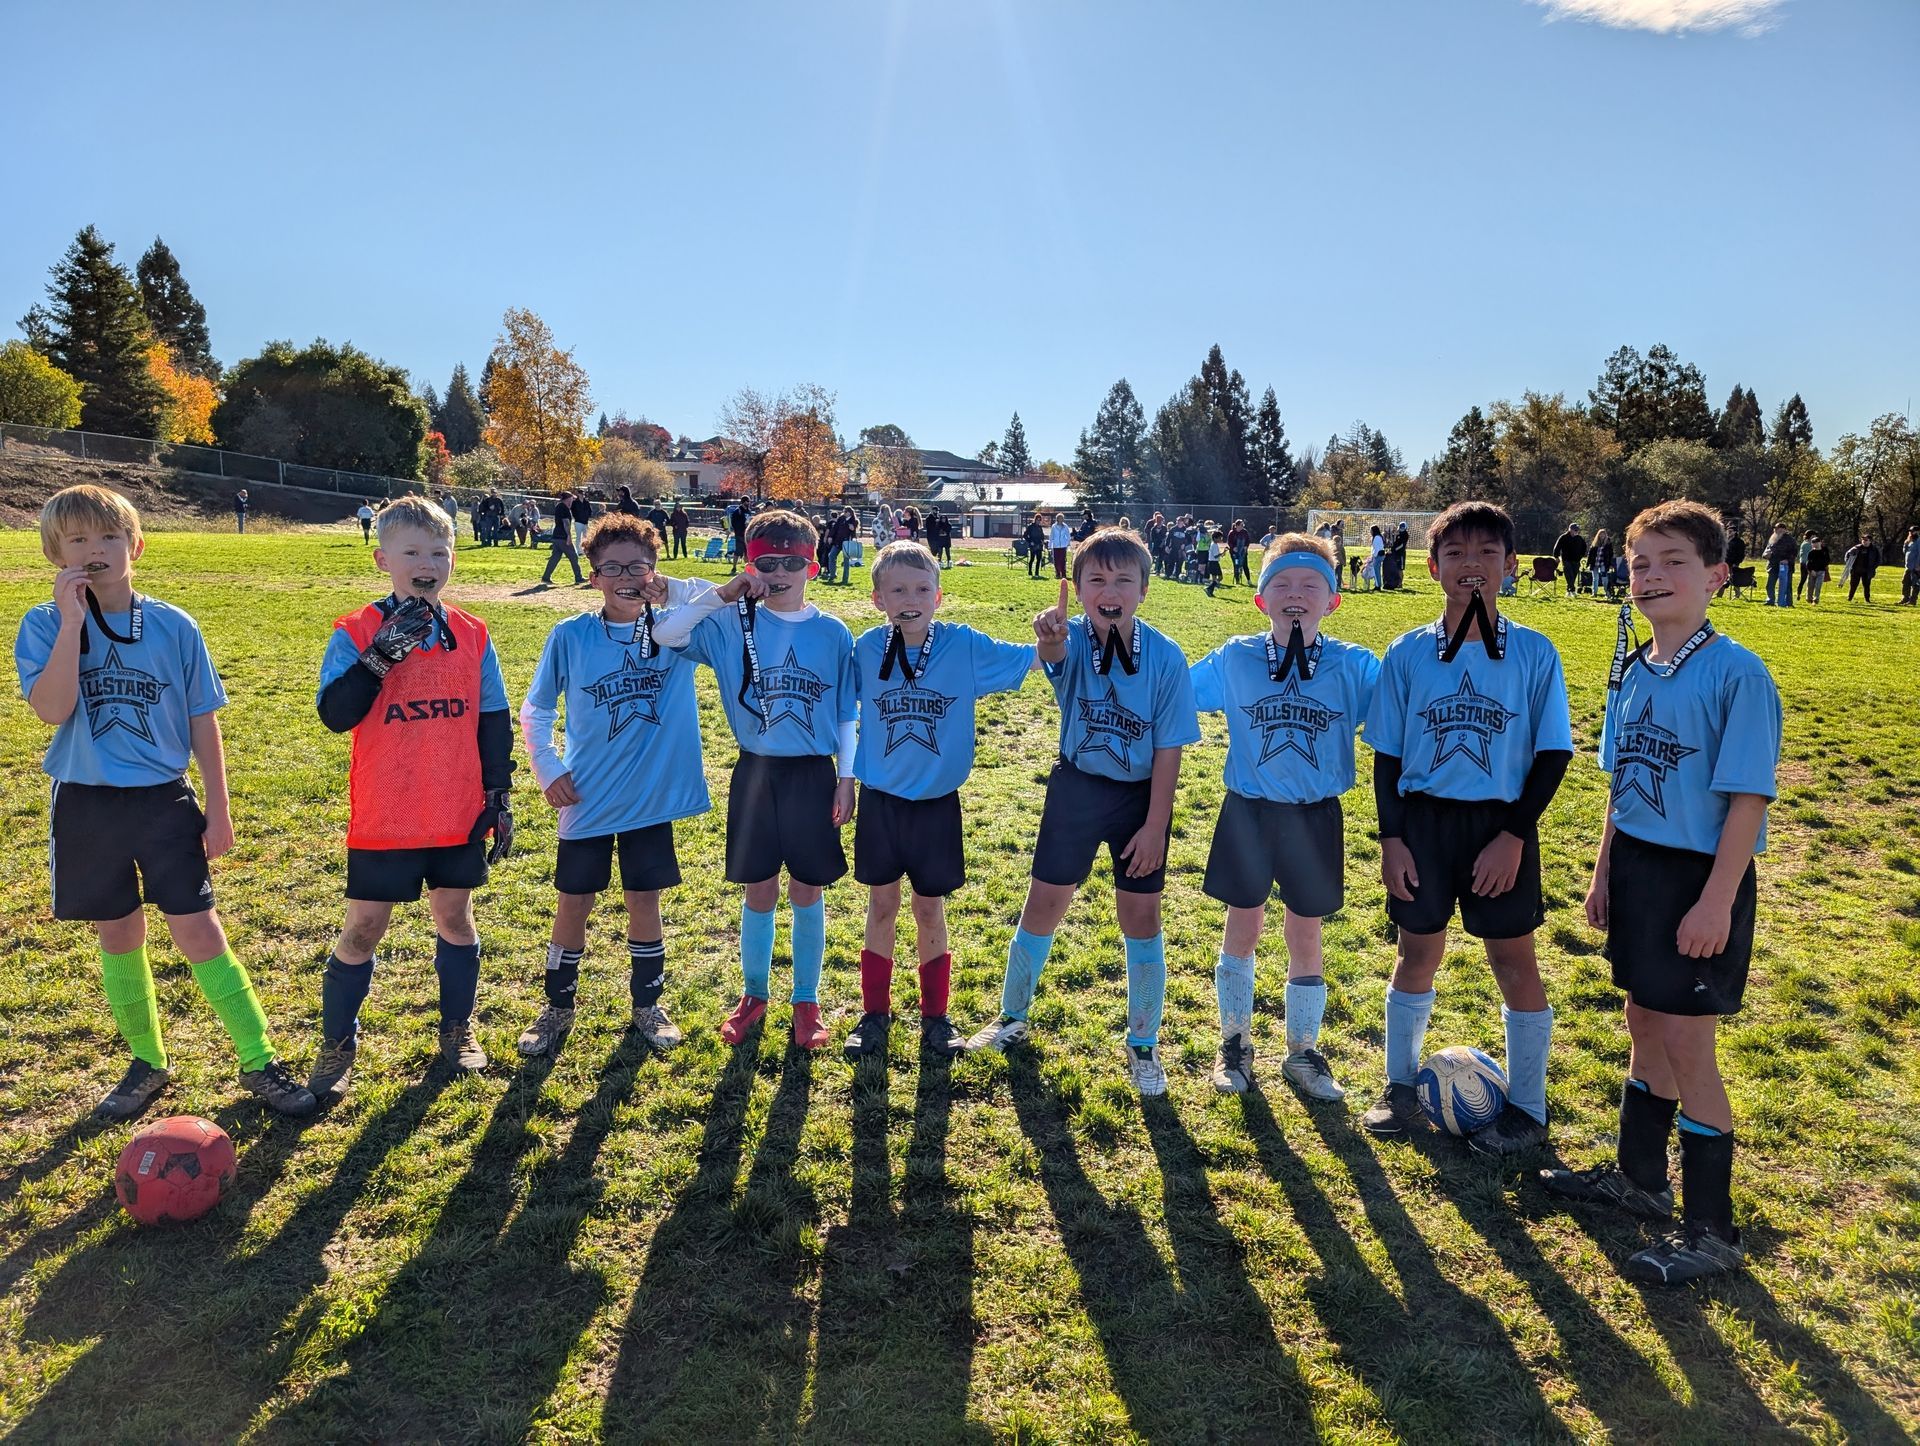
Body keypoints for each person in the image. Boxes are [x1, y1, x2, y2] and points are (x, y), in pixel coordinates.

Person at [15, 484, 315, 1120]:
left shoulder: (175, 625)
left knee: (199, 930)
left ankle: (259, 1058)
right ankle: (148, 1061)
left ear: (136, 545)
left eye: (109, 538)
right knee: (118, 933)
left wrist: (221, 808)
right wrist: (73, 624)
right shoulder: (43, 625)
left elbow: (205, 720)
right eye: (79, 541)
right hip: (88, 805)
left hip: (163, 802)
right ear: (54, 553)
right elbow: (51, 709)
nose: (96, 551)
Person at [1542, 500, 1780, 1285]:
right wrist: (1605, 870)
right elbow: (1621, 781)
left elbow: (1746, 800)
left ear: (1716, 576)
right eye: (1640, 562)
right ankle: (1641, 1181)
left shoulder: (1738, 674)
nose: (1651, 576)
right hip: (1639, 867)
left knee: (1688, 1042)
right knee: (1643, 1015)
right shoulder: (1635, 666)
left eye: (1673, 561)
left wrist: (1716, 900)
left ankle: (1713, 1231)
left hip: (1699, 876)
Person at [1362, 500, 1574, 1156]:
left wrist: (1513, 834)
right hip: (1422, 824)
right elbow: (1388, 755)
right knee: (1415, 954)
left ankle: (1529, 1109)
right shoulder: (1407, 653)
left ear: (1511, 566)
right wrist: (1392, 838)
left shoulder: (1534, 653)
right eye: (1455, 553)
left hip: (1499, 825)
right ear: (1432, 568)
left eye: (1487, 552)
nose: (1471, 564)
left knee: (1514, 960)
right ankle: (1401, 1088)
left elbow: (1554, 752)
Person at [965, 528, 1201, 1097]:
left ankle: (1143, 1042)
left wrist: (1155, 826)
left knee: (1141, 921)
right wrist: (1047, 638)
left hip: (1138, 799)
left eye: (1123, 579)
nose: (1109, 588)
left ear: (1144, 589)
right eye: (1095, 579)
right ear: (1077, 587)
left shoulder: (1166, 657)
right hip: (1075, 789)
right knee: (1042, 904)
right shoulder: (1068, 635)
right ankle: (1011, 1017)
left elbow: (1169, 749)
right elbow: (1052, 656)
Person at [308, 498, 516, 1103]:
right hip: (387, 811)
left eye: (439, 552)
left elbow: (493, 718)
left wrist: (497, 793)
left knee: (455, 918)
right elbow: (334, 715)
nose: (428, 563)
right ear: (383, 560)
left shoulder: (474, 633)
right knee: (363, 929)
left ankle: (457, 1028)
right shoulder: (354, 632)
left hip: (455, 808)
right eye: (412, 552)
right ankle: (338, 1043)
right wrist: (381, 657)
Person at [650, 510, 856, 1049]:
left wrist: (847, 776)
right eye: (769, 561)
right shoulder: (726, 622)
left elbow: (845, 714)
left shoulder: (833, 631)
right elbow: (665, 630)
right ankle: (754, 994)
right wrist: (722, 594)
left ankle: (806, 1000)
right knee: (759, 887)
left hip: (813, 772)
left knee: (807, 889)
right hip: (755, 771)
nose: (782, 571)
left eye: (794, 561)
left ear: (812, 564)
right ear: (751, 564)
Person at [1190, 534, 1380, 1099]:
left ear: (1334, 600)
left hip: (1315, 815)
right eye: (1282, 583)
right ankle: (1235, 1043)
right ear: (1260, 598)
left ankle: (1302, 1051)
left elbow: (1406, 714)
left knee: (1306, 931)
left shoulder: (1354, 666)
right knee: (1242, 925)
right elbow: (1172, 688)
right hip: (1248, 812)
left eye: (1311, 584)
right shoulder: (1235, 657)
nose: (1296, 593)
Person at [516, 515, 711, 1057]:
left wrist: (674, 590)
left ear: (655, 571)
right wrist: (548, 768)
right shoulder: (570, 636)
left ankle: (647, 1005)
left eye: (638, 566)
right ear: (594, 575)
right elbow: (535, 710)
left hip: (649, 802)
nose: (626, 577)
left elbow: (725, 601)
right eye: (612, 567)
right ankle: (557, 1007)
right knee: (573, 902)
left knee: (643, 899)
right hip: (588, 799)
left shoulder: (675, 632)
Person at [843, 541, 1038, 1061]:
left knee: (930, 909)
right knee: (880, 905)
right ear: (877, 598)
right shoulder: (864, 648)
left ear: (939, 596)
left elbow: (1030, 658)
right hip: (881, 801)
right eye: (898, 590)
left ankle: (936, 1016)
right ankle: (874, 1015)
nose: (911, 598)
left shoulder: (964, 646)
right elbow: (838, 712)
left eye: (922, 589)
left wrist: (1055, 633)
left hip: (936, 805)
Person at [542, 492, 585, 585]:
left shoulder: (559, 506)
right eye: (571, 499)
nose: (572, 501)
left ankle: (546, 577)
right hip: (562, 537)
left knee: (555, 557)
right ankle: (578, 577)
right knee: (573, 556)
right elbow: (566, 523)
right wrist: (568, 536)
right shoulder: (563, 508)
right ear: (567, 499)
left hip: (556, 536)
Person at [1762, 525, 1796, 607]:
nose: (1779, 530)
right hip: (1773, 565)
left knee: (1787, 585)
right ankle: (1770, 600)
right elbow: (1767, 550)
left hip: (1786, 566)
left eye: (1781, 529)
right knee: (1770, 585)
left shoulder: (1790, 540)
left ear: (1785, 530)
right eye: (1777, 529)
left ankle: (1789, 603)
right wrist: (1766, 555)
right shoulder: (1772, 539)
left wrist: (1787, 560)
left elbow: (1794, 552)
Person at [1554, 521, 1587, 596]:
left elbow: (1584, 547)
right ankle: (1572, 590)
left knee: (1574, 575)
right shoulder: (1563, 537)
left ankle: (1568, 591)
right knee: (1569, 575)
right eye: (1575, 530)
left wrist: (1581, 556)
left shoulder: (1580, 538)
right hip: (1566, 559)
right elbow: (1557, 547)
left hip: (1576, 560)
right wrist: (1556, 556)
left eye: (1577, 530)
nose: (1576, 531)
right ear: (1570, 529)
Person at [1845, 536, 1880, 602]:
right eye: (1863, 540)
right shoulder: (1856, 548)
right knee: (1853, 585)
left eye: (1866, 540)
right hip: (1856, 570)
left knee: (1867, 586)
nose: (1864, 541)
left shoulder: (1874, 549)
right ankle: (1850, 598)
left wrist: (1873, 567)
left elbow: (1878, 560)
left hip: (1867, 571)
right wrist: (1849, 564)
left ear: (1870, 541)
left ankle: (1867, 600)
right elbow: (1847, 554)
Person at [1590, 528, 1617, 601]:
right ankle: (1594, 593)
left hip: (1603, 563)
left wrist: (1611, 564)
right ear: (1598, 535)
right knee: (1595, 579)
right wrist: (1589, 562)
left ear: (1605, 535)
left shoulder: (1608, 544)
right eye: (1600, 534)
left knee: (1604, 578)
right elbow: (1591, 553)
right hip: (1595, 563)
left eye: (1603, 534)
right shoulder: (1595, 543)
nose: (1602, 535)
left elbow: (1610, 554)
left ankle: (1607, 592)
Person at [1803, 535, 1830, 604]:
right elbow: (1808, 563)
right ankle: (1809, 598)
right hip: (1812, 571)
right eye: (1813, 542)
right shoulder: (1811, 553)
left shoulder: (1825, 551)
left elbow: (1828, 560)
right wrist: (1811, 571)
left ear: (1820, 542)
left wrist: (1825, 566)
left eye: (1817, 542)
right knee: (1810, 586)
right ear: (1812, 544)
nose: (1815, 544)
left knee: (1818, 585)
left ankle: (1816, 599)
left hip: (1821, 571)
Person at [1384, 521, 1410, 590]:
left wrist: (1395, 549)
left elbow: (1402, 545)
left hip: (1401, 554)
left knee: (1400, 569)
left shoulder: (1405, 535)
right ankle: (1396, 582)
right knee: (1396, 568)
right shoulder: (1398, 534)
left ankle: (1400, 583)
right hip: (1396, 554)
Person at [1228, 518, 1252, 586]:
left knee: (1245, 565)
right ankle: (1237, 580)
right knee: (1236, 565)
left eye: (1243, 525)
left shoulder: (1244, 532)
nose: (1242, 526)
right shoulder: (1232, 533)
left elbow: (1248, 540)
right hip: (1234, 554)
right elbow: (1229, 542)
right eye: (1241, 525)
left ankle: (1248, 580)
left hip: (1243, 552)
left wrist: (1246, 546)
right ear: (1237, 525)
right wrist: (1233, 548)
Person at [1048, 511, 1072, 580]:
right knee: (1056, 560)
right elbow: (1051, 536)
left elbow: (1068, 535)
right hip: (1056, 546)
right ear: (1057, 519)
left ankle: (1063, 574)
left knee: (1063, 560)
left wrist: (1067, 543)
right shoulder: (1054, 526)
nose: (1061, 519)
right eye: (1059, 518)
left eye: (1062, 518)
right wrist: (1050, 545)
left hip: (1063, 546)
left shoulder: (1065, 526)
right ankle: (1058, 573)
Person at [1204, 528, 1227, 596]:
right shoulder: (1213, 545)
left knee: (1216, 578)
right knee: (1219, 578)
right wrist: (1222, 553)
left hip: (1214, 562)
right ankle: (1209, 588)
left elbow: (1218, 555)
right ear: (1215, 538)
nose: (1221, 539)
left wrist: (1224, 552)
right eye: (1219, 538)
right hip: (1213, 563)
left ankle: (1210, 590)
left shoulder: (1215, 544)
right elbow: (1215, 556)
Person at [1024, 513, 1046, 579]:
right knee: (1032, 559)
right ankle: (1030, 571)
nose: (1038, 521)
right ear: (1035, 519)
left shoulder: (1040, 527)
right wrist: (1030, 542)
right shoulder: (1030, 526)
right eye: (1037, 519)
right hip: (1033, 545)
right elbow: (1025, 535)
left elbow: (1042, 536)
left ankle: (1037, 572)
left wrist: (1042, 540)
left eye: (1039, 520)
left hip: (1039, 545)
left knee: (1039, 559)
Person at [1902, 526, 1920, 606]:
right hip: (1908, 566)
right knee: (1905, 582)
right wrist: (1905, 544)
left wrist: (1918, 565)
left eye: (1913, 531)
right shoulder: (1910, 541)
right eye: (1910, 531)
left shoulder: (1919, 541)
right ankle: (1905, 598)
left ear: (1918, 532)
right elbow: (1905, 552)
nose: (1911, 533)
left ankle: (1913, 600)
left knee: (1915, 584)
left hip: (1916, 567)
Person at [1364, 525, 1385, 591]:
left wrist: (1373, 556)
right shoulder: (1379, 537)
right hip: (1380, 555)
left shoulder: (1376, 537)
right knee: (1377, 571)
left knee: (1376, 572)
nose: (1370, 532)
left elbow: (1376, 548)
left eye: (1371, 530)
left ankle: (1377, 585)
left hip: (1377, 556)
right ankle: (1378, 584)